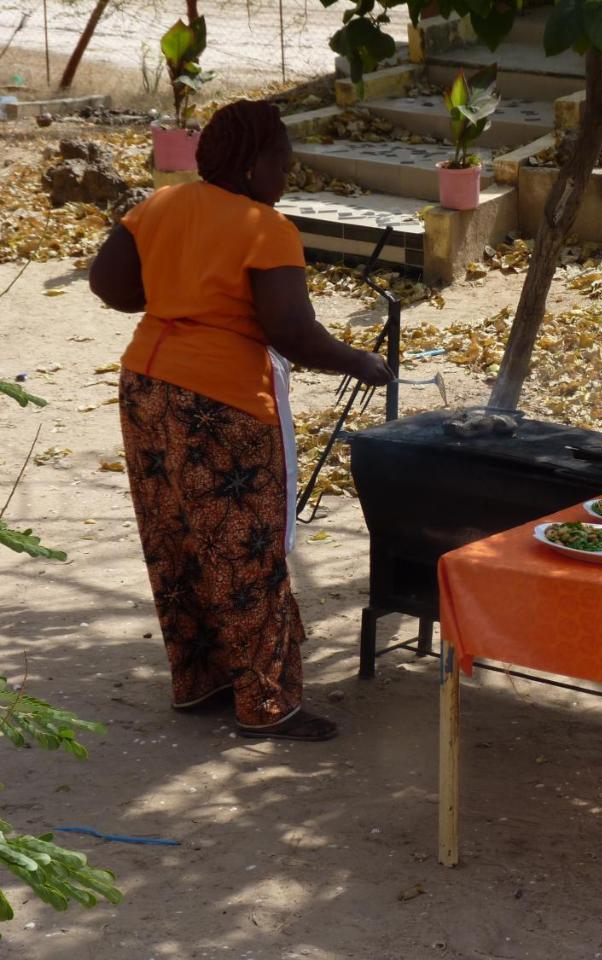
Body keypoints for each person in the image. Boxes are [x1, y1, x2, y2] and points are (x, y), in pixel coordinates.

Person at [89, 99, 392, 742]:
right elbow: (293, 332)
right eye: (284, 161)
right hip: (218, 405)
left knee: (175, 537)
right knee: (246, 550)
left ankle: (200, 681)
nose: (289, 171)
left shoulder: (161, 205)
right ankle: (267, 703)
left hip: (145, 385)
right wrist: (363, 363)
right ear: (255, 165)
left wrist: (179, 292)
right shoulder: (265, 226)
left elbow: (110, 286)